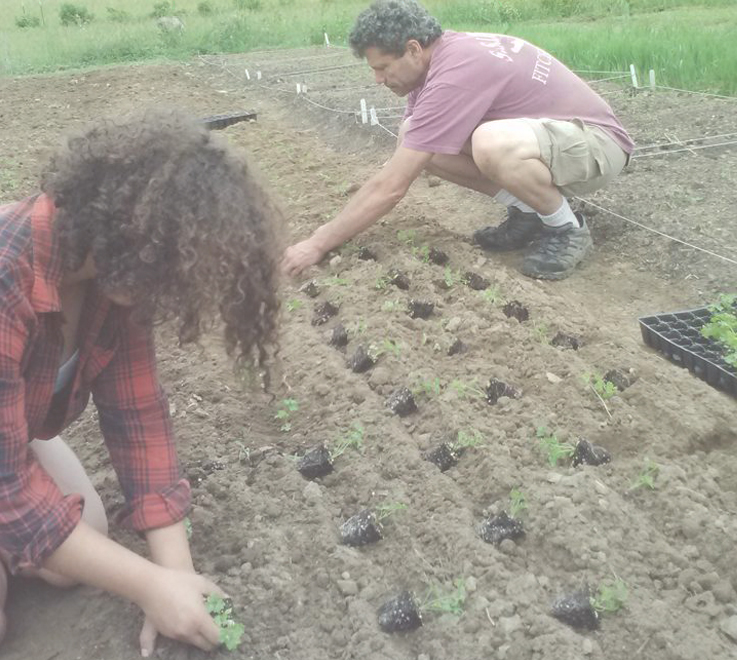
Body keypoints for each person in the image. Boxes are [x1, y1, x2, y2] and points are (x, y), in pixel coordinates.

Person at [0, 109, 281, 654]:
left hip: (13, 434)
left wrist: (176, 578)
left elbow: (138, 417)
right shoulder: (8, 274)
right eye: (174, 265)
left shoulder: (113, 278)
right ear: (131, 229)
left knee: (82, 547)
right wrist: (148, 585)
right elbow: (7, 489)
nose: (176, 285)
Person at [282, 0, 634, 281]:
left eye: (383, 67)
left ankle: (566, 229)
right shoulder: (440, 61)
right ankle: (530, 211)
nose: (378, 79)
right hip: (552, 140)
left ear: (414, 49)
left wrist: (318, 242)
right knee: (416, 136)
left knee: (490, 143)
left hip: (597, 146)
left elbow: (392, 186)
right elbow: (412, 152)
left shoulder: (458, 70)